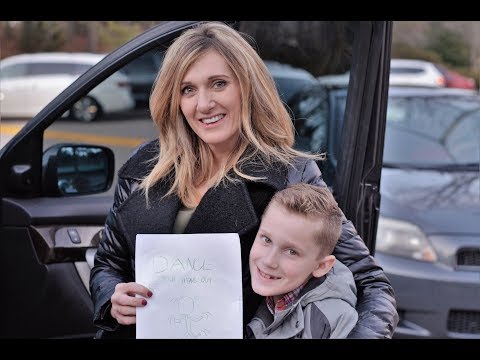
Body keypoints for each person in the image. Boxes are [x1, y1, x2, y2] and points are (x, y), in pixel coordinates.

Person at [89, 21, 398, 339]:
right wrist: (112, 297)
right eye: (188, 89)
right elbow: (108, 263)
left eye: (219, 84)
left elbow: (373, 286)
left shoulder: (289, 173)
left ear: (247, 86)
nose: (204, 104)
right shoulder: (146, 166)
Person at [246, 183, 357, 339]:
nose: (269, 261)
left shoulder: (333, 322)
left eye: (291, 252)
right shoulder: (264, 298)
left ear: (321, 266)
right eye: (267, 239)